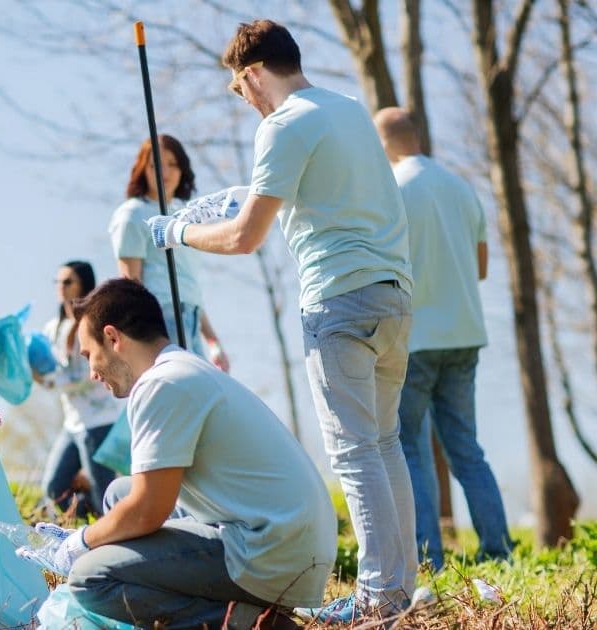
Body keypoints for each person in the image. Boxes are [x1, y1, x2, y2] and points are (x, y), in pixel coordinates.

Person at [149, 20, 416, 622]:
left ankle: (377, 598)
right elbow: (323, 189)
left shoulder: (281, 125)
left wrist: (179, 233)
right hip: (393, 295)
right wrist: (245, 190)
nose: (242, 102)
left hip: (338, 300)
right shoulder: (346, 107)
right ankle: (399, 588)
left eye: (237, 89)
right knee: (385, 443)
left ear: (251, 74)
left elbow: (245, 239)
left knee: (353, 451)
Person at [21, 279, 334, 629]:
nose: (92, 373)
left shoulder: (161, 385)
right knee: (117, 494)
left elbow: (147, 512)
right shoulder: (182, 368)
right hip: (287, 539)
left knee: (89, 579)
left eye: (89, 355)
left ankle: (250, 621)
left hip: (272, 553)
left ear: (113, 338)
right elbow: (139, 500)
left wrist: (81, 541)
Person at [374, 107, 511, 571]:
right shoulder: (461, 187)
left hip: (415, 338)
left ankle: (429, 559)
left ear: (386, 142)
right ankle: (499, 552)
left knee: (409, 446)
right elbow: (482, 267)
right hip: (465, 334)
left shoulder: (391, 191)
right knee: (466, 449)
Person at [109, 135, 229, 370]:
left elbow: (188, 286)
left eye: (172, 164)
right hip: (160, 319)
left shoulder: (186, 217)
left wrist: (212, 340)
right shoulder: (132, 215)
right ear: (142, 169)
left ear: (183, 169)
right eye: (155, 165)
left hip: (190, 318)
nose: (164, 171)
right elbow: (130, 285)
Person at [36, 261, 123, 518]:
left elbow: (91, 372)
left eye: (68, 282)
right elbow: (48, 365)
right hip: (72, 423)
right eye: (58, 282)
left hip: (98, 420)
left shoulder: (94, 323)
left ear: (83, 285)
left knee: (104, 493)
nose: (61, 288)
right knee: (54, 488)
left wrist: (51, 381)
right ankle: (95, 527)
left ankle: (115, 536)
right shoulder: (52, 328)